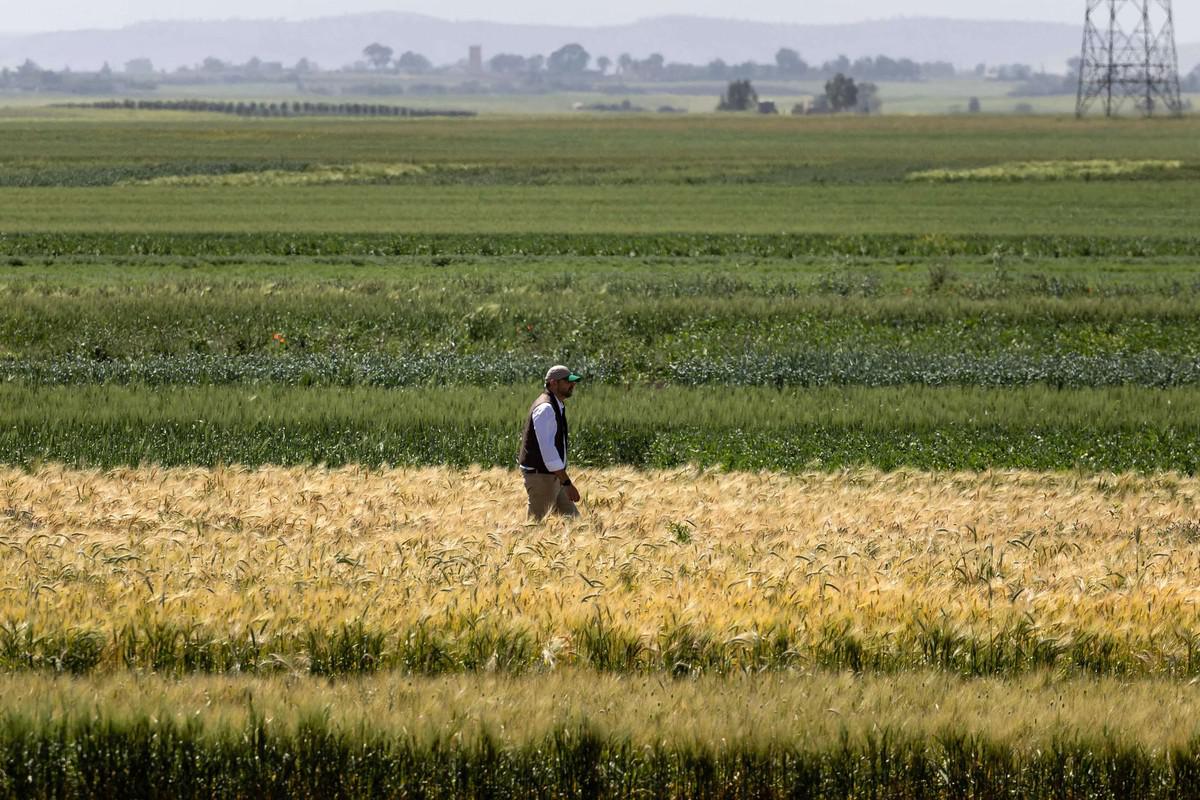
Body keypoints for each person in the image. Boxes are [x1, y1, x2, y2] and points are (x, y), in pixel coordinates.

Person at [517, 365, 582, 520]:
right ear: (553, 383)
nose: (572, 385)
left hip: (554, 476)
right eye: (567, 381)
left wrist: (562, 480)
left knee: (575, 523)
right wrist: (566, 482)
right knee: (535, 527)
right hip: (542, 477)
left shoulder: (556, 405)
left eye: (573, 382)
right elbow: (548, 451)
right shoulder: (546, 408)